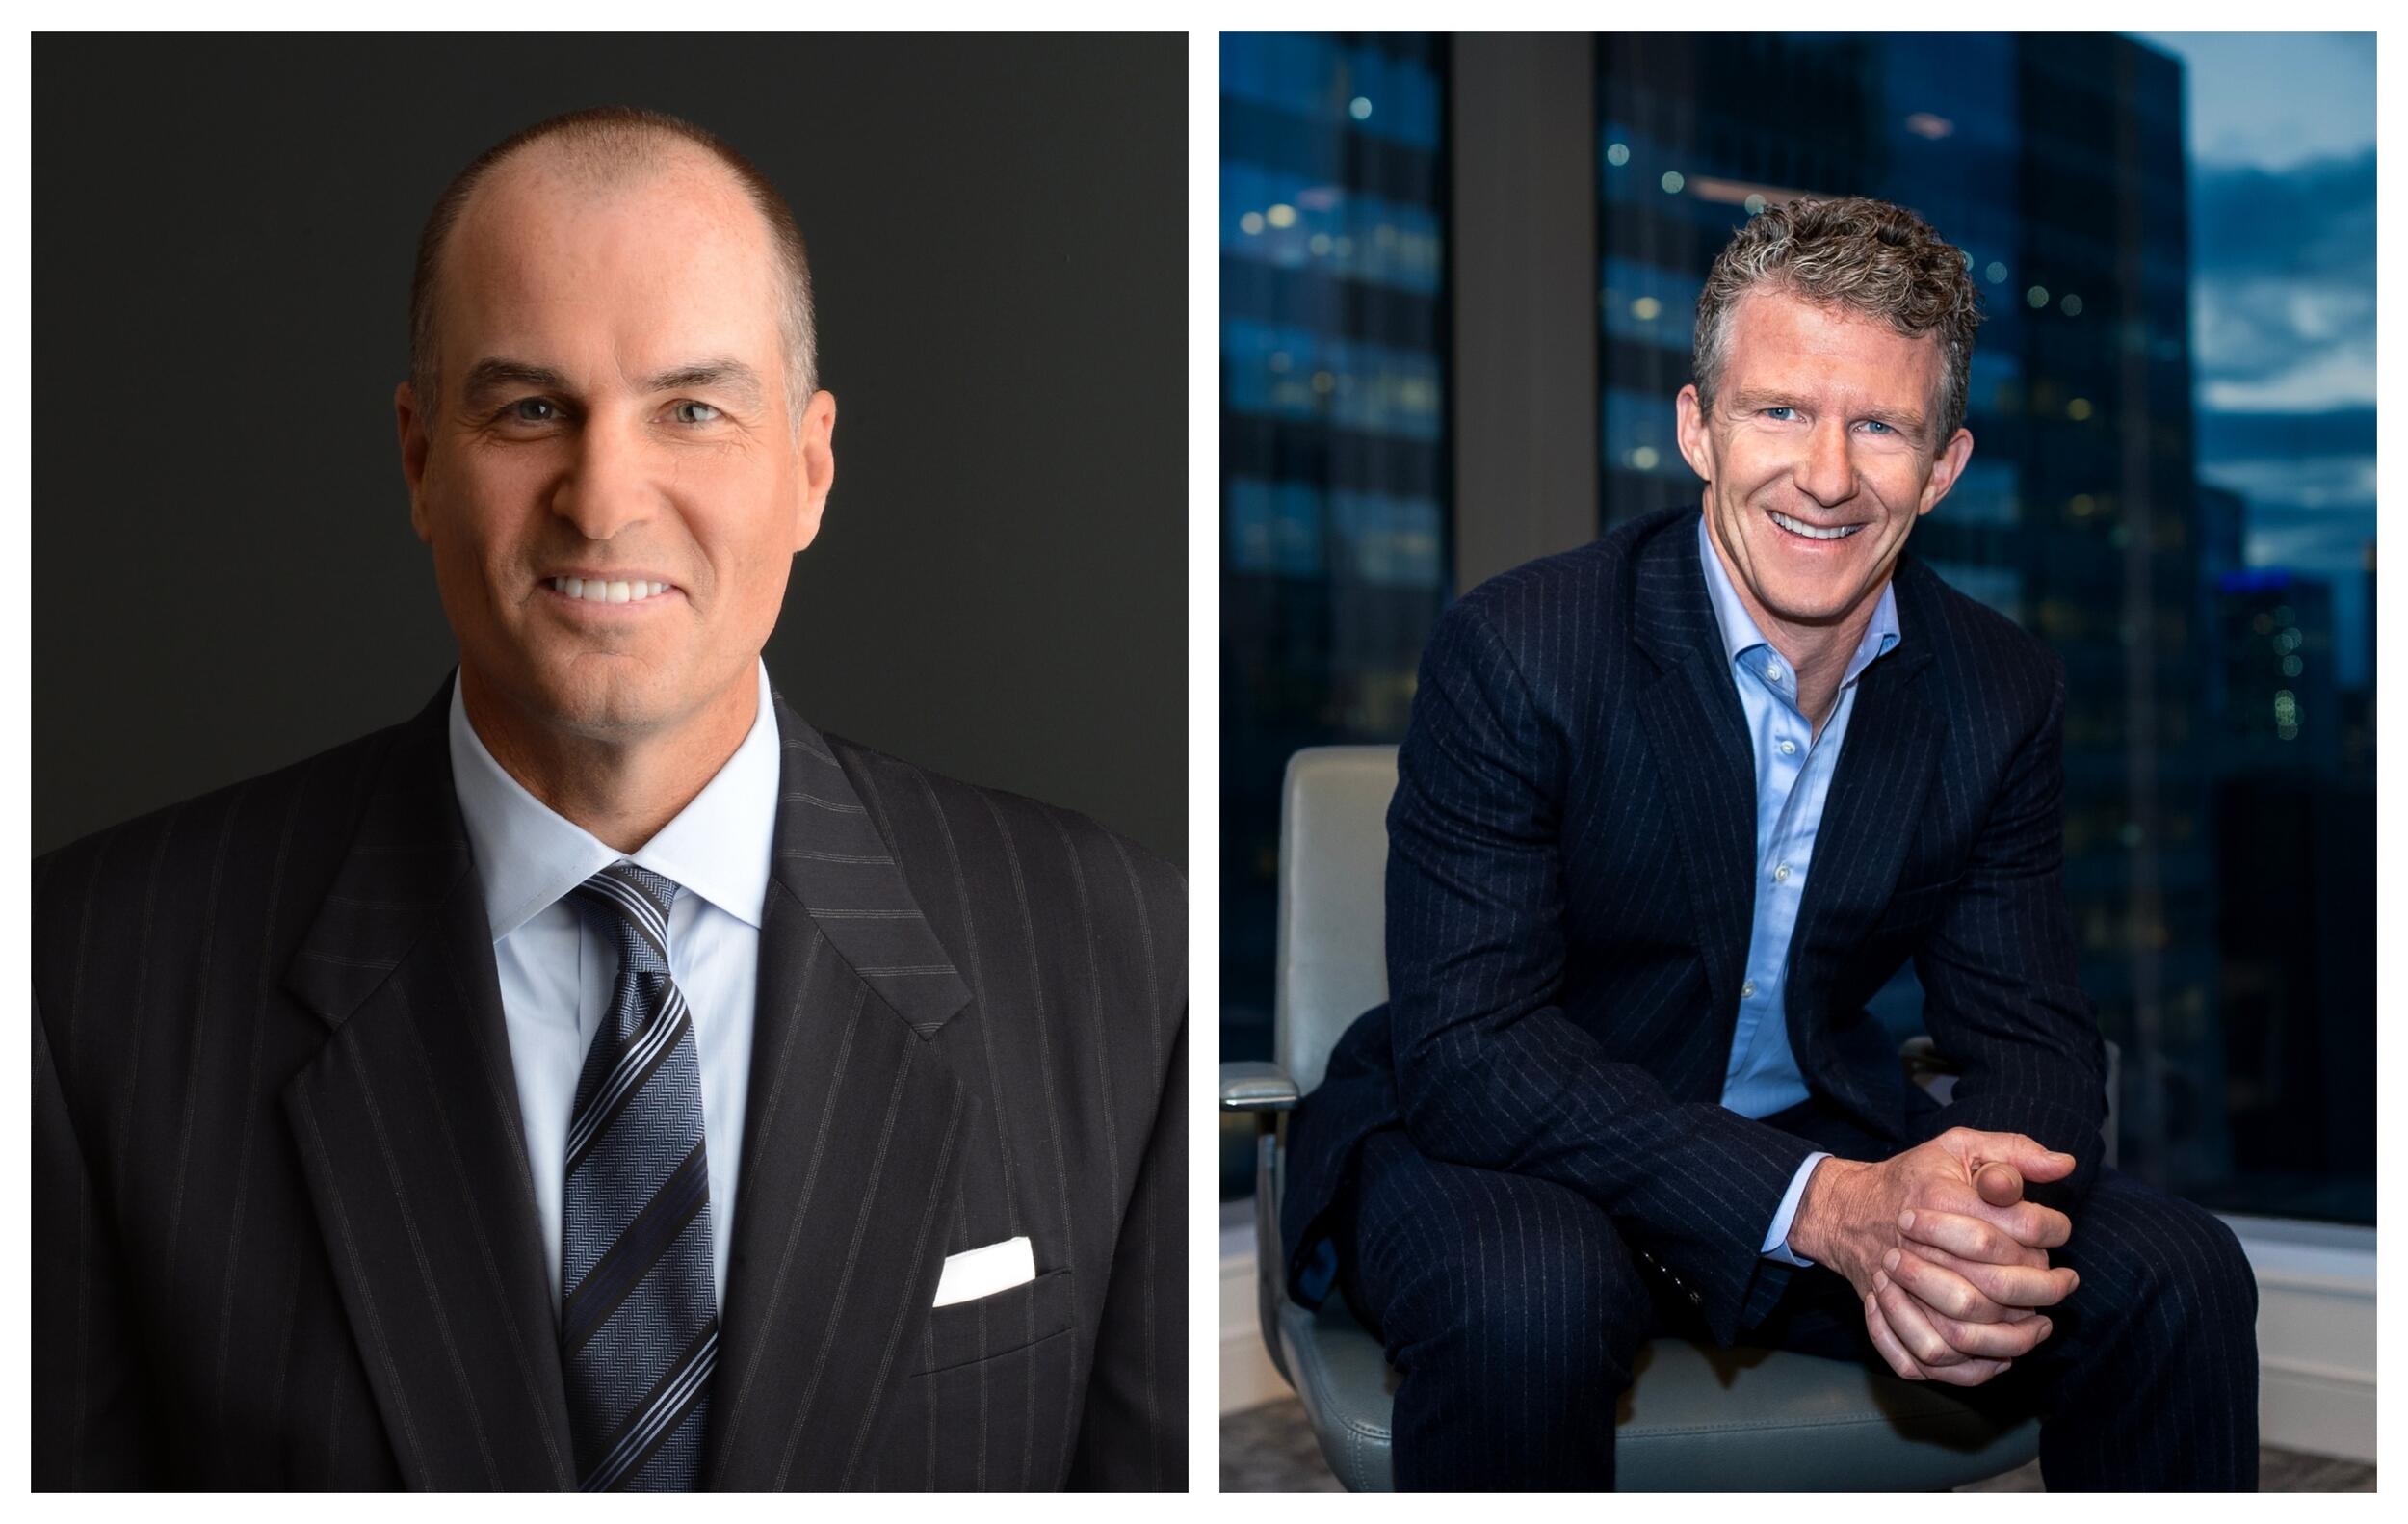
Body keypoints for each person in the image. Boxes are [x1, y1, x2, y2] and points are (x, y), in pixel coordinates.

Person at [31, 106, 1185, 1492]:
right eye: (530, 410)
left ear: (810, 466)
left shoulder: (1113, 948)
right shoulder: (87, 979)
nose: (603, 496)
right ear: (416, 459)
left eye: (692, 408)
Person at [1280, 197, 2257, 1491]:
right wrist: (1835, 1209)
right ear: (1698, 426)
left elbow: (2032, 1033)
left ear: (1946, 464)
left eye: (1882, 427)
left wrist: (1972, 1221)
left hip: (1814, 1126)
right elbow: (1474, 1051)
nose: (1830, 474)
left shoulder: (1998, 688)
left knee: (2180, 1274)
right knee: (1529, 1295)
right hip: (1517, 1148)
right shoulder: (1521, 649)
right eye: (1781, 410)